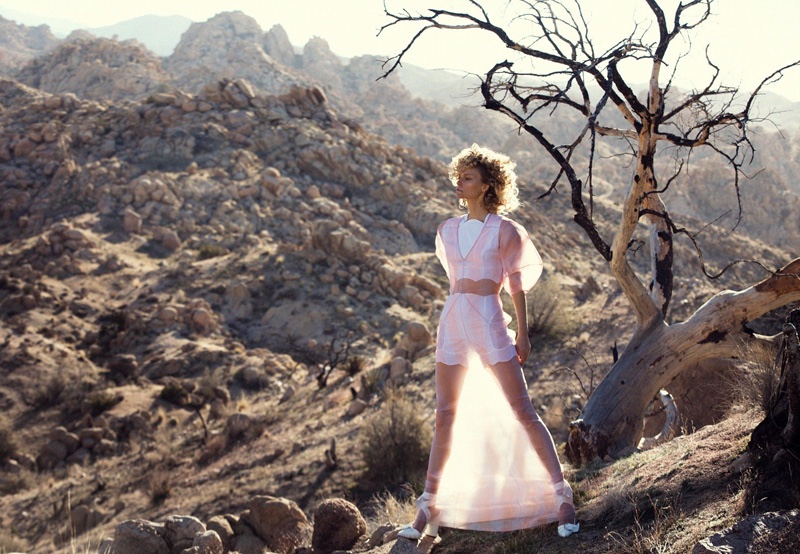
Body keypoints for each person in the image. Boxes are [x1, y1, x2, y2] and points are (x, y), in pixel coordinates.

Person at [398, 144, 579, 550]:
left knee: (522, 410)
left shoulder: (506, 231)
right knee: (445, 413)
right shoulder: (446, 229)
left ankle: (561, 496)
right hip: (453, 322)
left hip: (490, 321)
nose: (459, 183)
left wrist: (524, 333)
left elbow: (515, 285)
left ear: (487, 186)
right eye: (458, 176)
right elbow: (454, 280)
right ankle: (428, 506)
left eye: (468, 177)